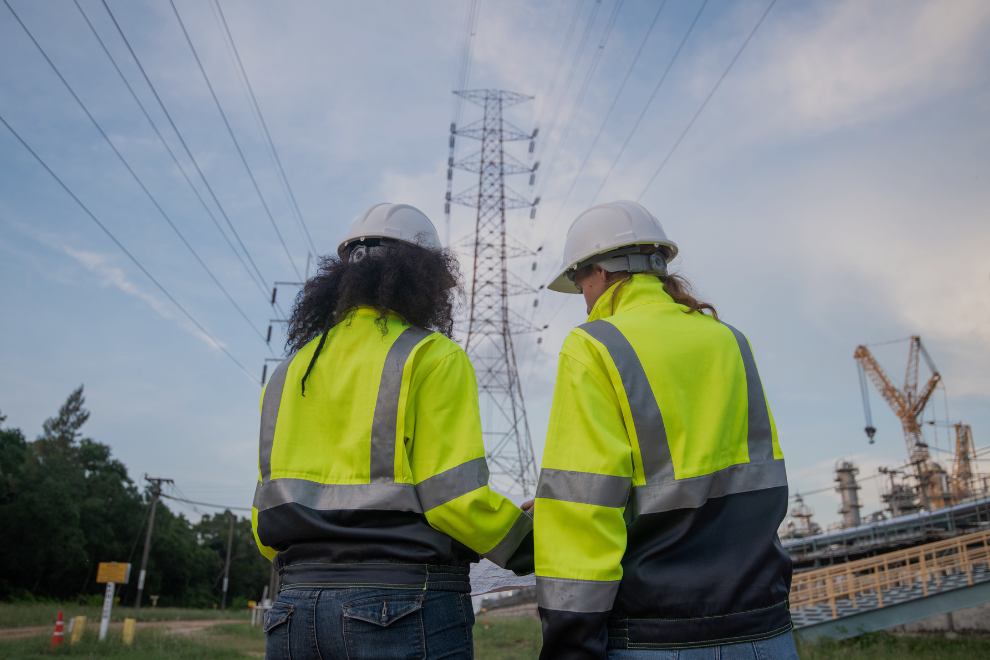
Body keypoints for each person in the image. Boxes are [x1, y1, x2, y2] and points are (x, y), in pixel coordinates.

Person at [251, 203, 534, 660]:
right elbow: (455, 502)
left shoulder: (288, 372)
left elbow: (264, 522)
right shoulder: (432, 356)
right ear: (424, 278)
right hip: (402, 604)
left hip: (293, 611)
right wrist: (533, 545)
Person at [532, 201, 795, 660]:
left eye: (579, 283)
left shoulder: (592, 346)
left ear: (599, 271)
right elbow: (735, 478)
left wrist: (570, 646)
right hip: (764, 627)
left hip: (656, 634)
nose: (584, 298)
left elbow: (584, 514)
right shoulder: (729, 340)